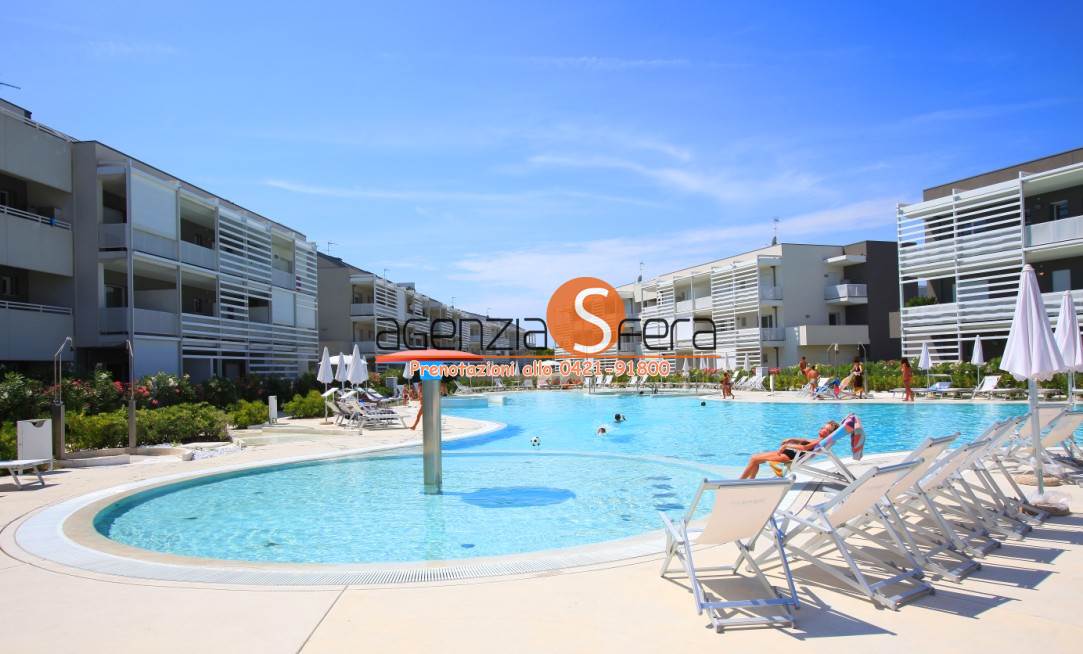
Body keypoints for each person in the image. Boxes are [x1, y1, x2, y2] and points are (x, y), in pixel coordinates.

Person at [739, 419, 840, 479]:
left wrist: (786, 445)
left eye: (827, 430)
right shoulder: (818, 440)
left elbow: (804, 447)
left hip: (789, 456)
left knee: (754, 459)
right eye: (823, 427)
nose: (823, 430)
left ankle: (740, 482)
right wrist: (791, 439)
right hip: (789, 453)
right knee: (755, 459)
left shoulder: (819, 441)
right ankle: (749, 482)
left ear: (830, 433)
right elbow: (804, 440)